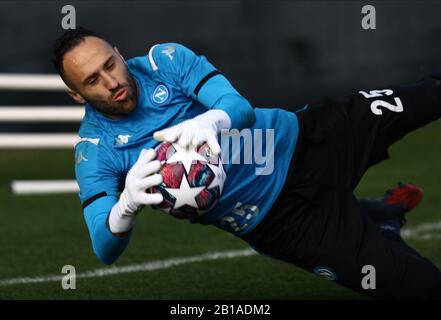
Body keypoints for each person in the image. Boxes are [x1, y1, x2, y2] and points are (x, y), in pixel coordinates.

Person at [52, 27, 441, 299]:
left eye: (109, 64)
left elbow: (238, 108)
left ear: (118, 53)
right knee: (414, 285)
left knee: (426, 96)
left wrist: (210, 120)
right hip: (285, 222)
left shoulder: (162, 61)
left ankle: (378, 217)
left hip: (313, 136)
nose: (111, 80)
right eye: (92, 80)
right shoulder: (95, 151)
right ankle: (380, 223)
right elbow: (104, 248)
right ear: (76, 94)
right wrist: (127, 205)